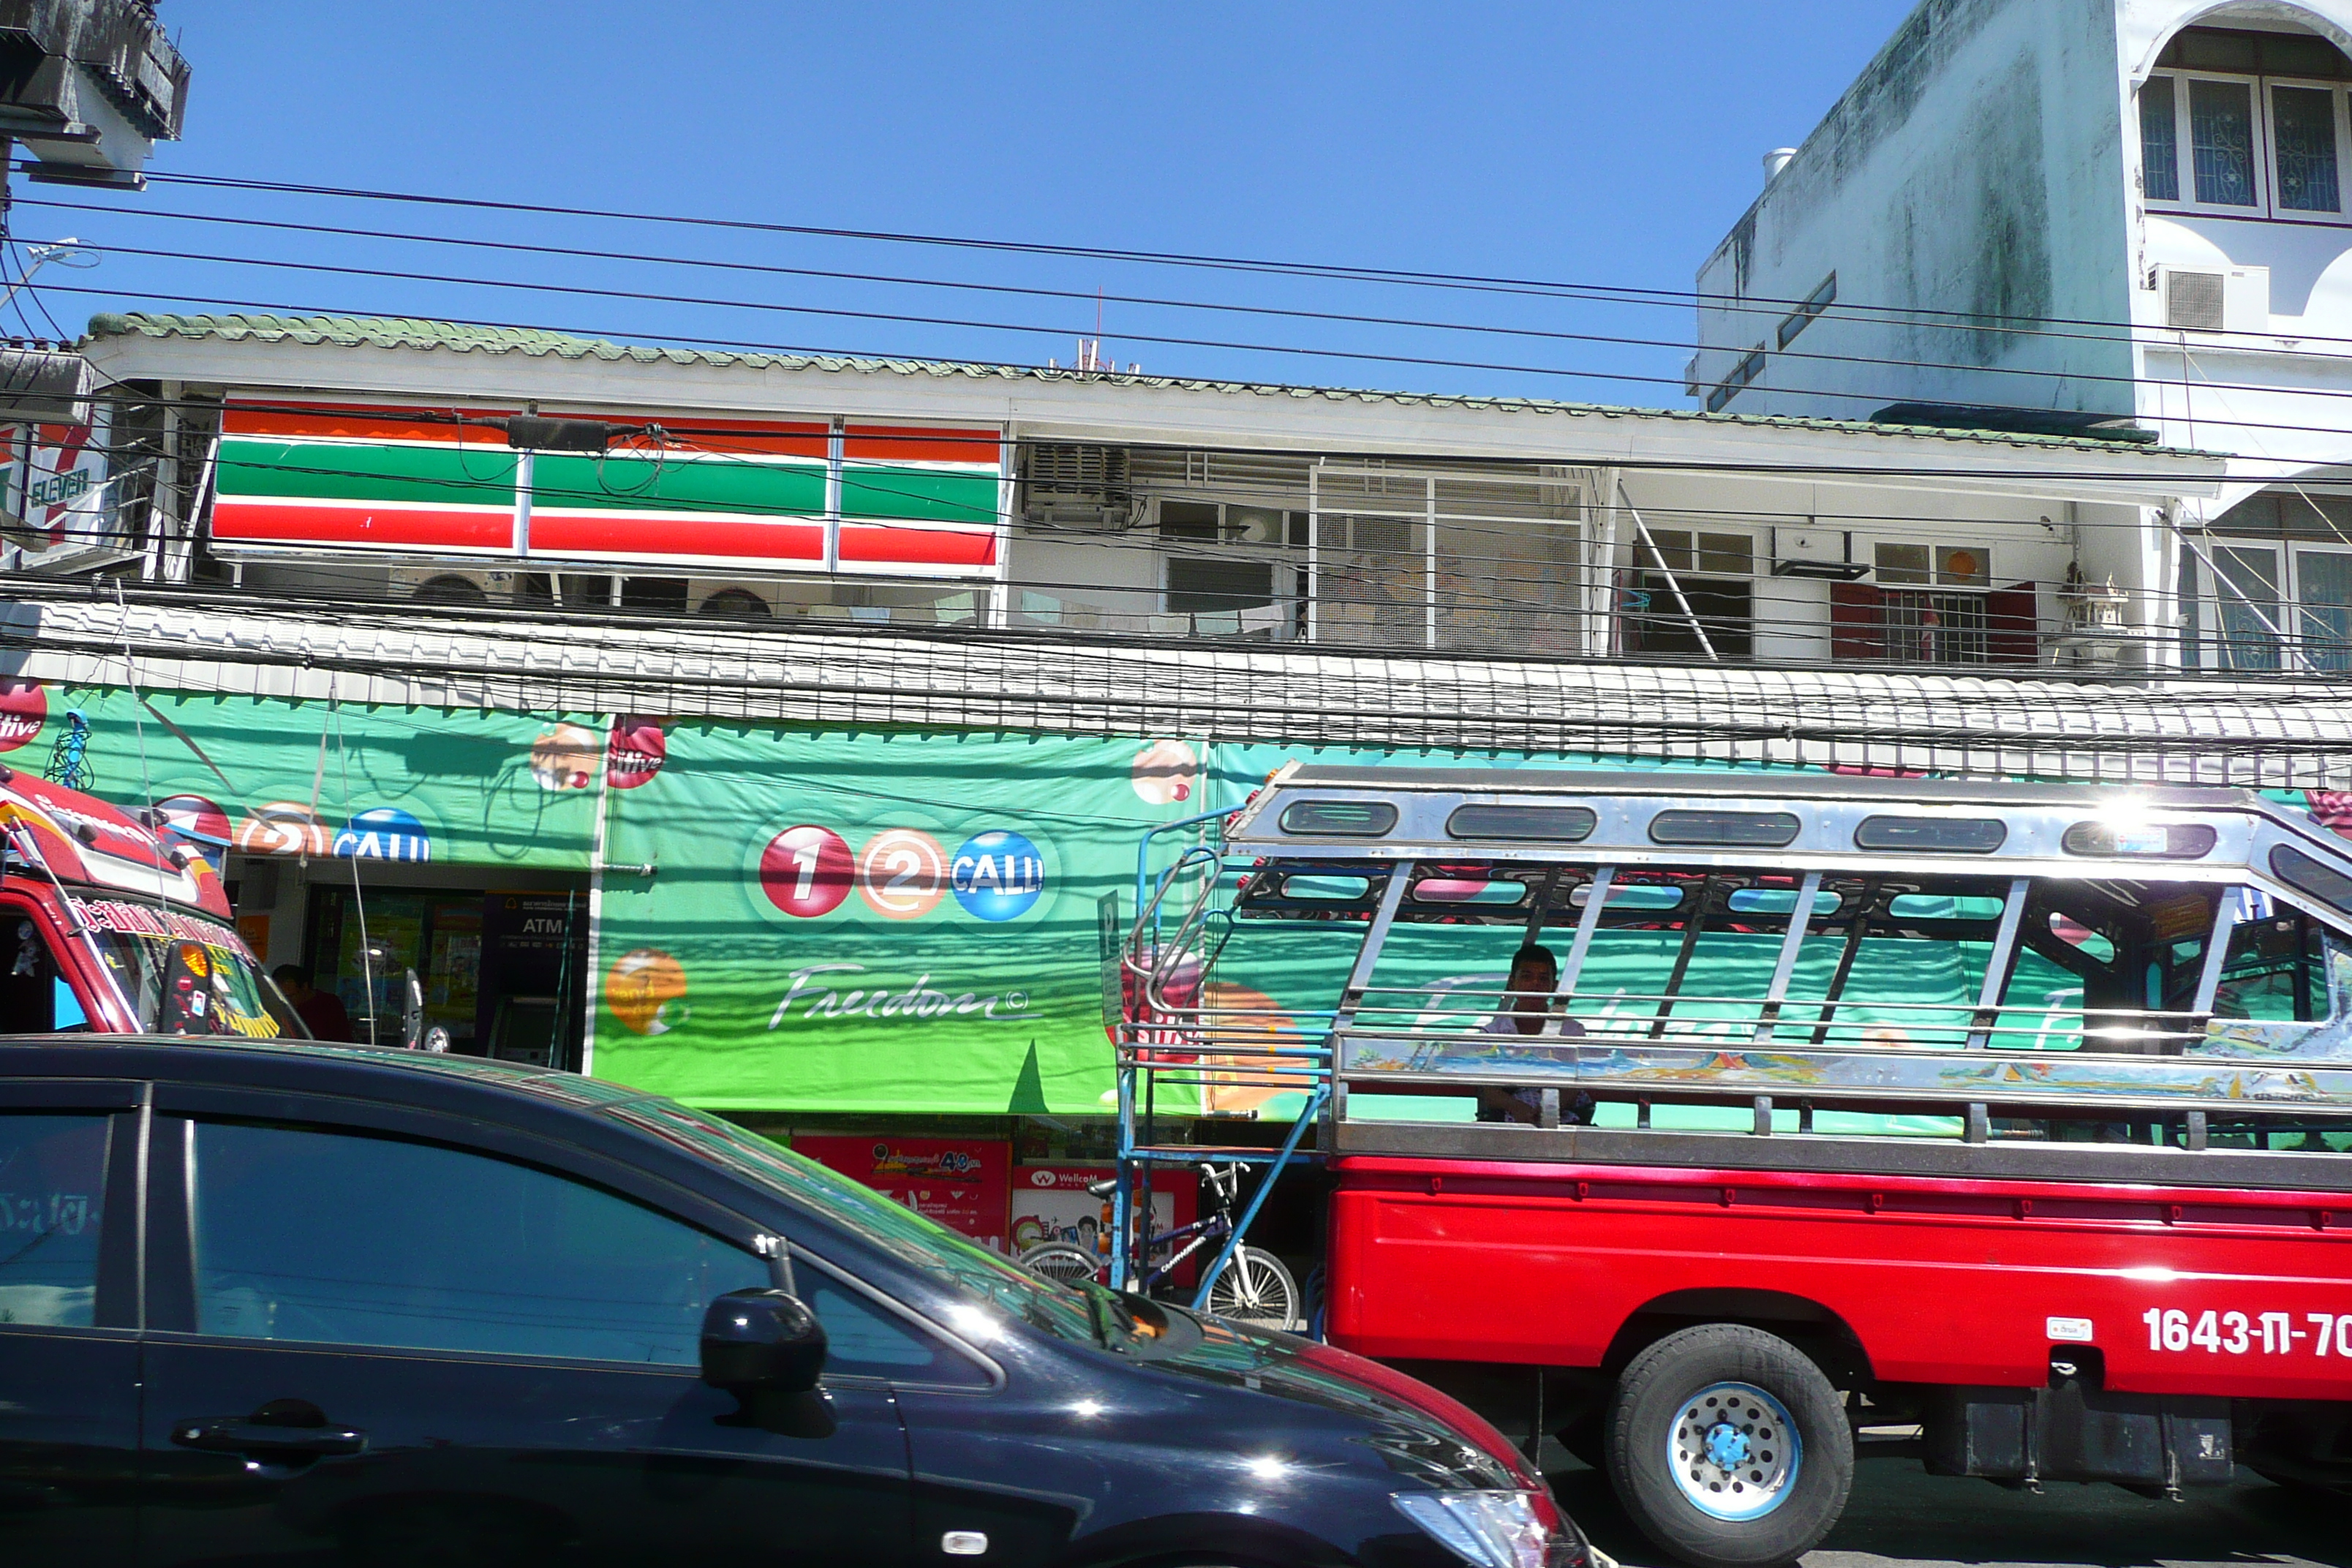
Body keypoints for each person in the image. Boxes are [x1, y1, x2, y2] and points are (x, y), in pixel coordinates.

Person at [1475, 943, 1587, 1126]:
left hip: (1564, 1116)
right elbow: (1488, 1089)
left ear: (1554, 986)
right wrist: (1518, 1109)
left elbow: (1576, 1085)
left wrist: (1549, 1111)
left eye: (1543, 979)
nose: (1535, 985)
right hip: (1506, 1118)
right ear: (1512, 982)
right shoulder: (1491, 1032)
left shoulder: (1572, 1031)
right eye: (1527, 977)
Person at [272, 963, 353, 1043]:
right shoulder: (275, 1005)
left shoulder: (329, 1005)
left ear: (304, 987)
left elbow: (342, 1040)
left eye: (289, 996)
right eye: (280, 997)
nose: (286, 1002)